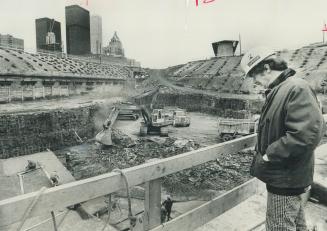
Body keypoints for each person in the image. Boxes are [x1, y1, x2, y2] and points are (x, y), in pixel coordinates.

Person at [240, 47, 326, 231]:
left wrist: (270, 154)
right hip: (288, 177)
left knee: (278, 226)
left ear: (266, 68)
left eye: (253, 75)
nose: (254, 81)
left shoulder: (295, 88)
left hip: (285, 179)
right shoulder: (284, 89)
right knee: (296, 224)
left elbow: (306, 134)